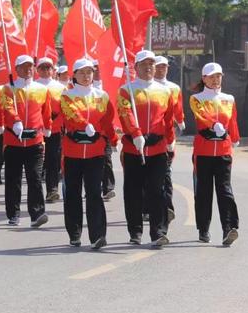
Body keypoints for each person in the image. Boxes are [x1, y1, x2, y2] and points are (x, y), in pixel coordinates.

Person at [117, 50, 175, 247]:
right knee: (133, 191)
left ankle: (158, 232)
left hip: (157, 149)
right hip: (134, 149)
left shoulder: (164, 91)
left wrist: (170, 141)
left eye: (151, 64)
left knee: (157, 191)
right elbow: (125, 113)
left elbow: (168, 119)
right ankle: (135, 230)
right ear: (136, 68)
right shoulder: (127, 90)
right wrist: (136, 134)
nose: (149, 67)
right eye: (144, 64)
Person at [60, 58, 117, 250]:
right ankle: (74, 234)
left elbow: (108, 122)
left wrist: (115, 140)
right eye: (82, 72)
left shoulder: (102, 96)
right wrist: (84, 125)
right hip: (73, 152)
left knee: (94, 193)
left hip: (95, 152)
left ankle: (98, 235)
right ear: (74, 74)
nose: (86, 76)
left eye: (89, 72)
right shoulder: (67, 95)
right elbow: (71, 113)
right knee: (73, 194)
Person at [189, 62, 240, 246]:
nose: (215, 79)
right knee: (204, 191)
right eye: (211, 76)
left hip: (224, 152)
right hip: (203, 152)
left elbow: (232, 120)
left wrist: (234, 137)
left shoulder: (229, 98)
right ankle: (203, 228)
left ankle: (229, 228)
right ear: (204, 78)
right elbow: (201, 115)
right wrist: (213, 124)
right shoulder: (197, 98)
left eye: (218, 76)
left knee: (225, 190)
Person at [1, 55, 52, 227]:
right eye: (24, 66)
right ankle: (13, 214)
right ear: (16, 69)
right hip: (14, 140)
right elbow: (7, 107)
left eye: (30, 66)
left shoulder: (41, 89)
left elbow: (46, 110)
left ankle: (37, 214)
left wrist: (48, 126)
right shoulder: (8, 88)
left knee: (35, 177)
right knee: (13, 179)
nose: (28, 69)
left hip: (35, 141)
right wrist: (15, 121)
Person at [153, 55, 185, 222]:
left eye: (164, 66)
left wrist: (180, 121)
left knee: (166, 170)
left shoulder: (174, 88)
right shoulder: (148, 88)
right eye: (158, 66)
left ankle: (167, 206)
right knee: (150, 173)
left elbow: (178, 108)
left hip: (168, 133)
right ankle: (148, 207)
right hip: (151, 133)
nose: (161, 69)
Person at [36, 57, 65, 202]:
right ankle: (35, 193)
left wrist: (54, 124)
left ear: (53, 70)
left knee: (53, 159)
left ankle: (52, 190)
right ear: (37, 70)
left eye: (49, 68)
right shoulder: (33, 86)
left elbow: (65, 110)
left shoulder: (60, 88)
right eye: (43, 68)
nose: (46, 71)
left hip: (54, 129)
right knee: (39, 162)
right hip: (37, 129)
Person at [92, 59, 116, 201]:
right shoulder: (81, 89)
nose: (96, 72)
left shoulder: (108, 87)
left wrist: (113, 136)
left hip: (105, 133)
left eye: (98, 69)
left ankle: (108, 188)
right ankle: (92, 186)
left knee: (106, 160)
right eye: (94, 69)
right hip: (89, 134)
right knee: (92, 163)